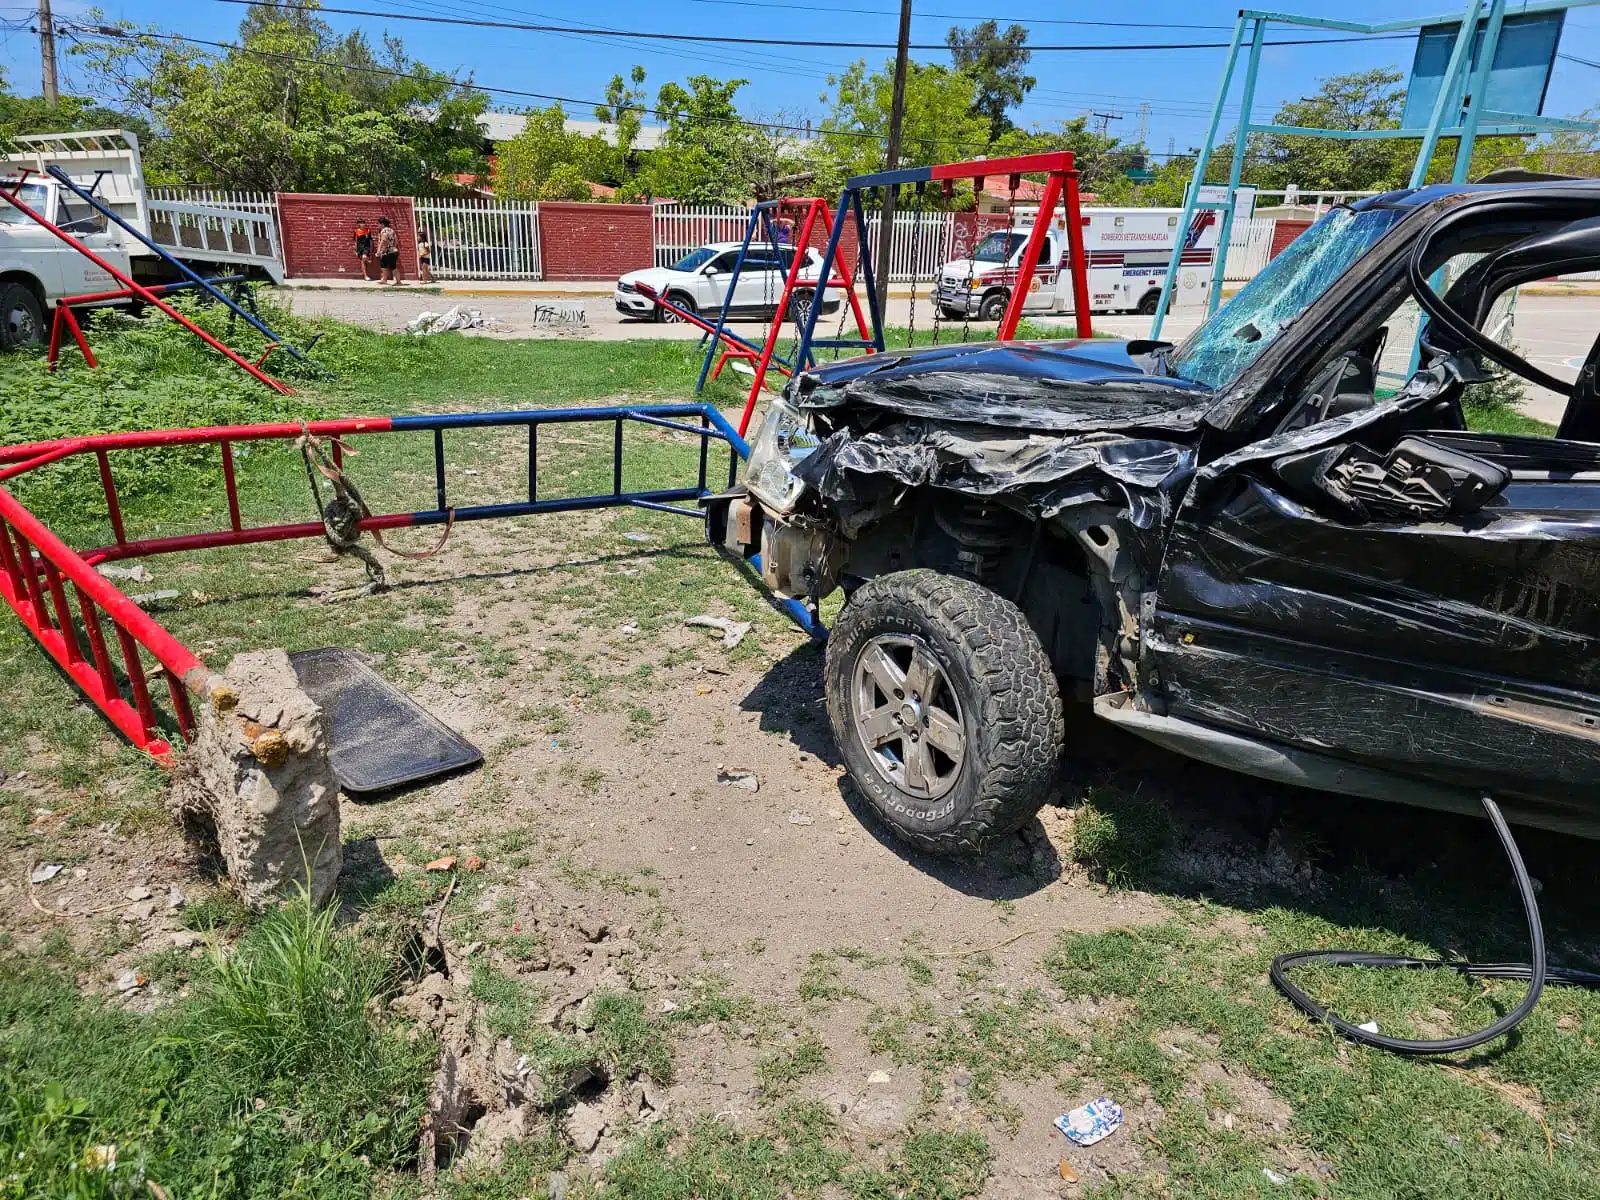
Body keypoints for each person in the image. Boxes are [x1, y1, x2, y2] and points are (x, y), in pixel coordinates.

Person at [375, 216, 401, 285]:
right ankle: (396, 281)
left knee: (385, 266)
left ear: (382, 224)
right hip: (392, 251)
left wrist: (378, 251)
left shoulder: (384, 230)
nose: (378, 225)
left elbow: (383, 240)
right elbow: (396, 240)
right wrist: (392, 247)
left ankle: (386, 280)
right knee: (391, 266)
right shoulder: (392, 230)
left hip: (387, 252)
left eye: (378, 224)